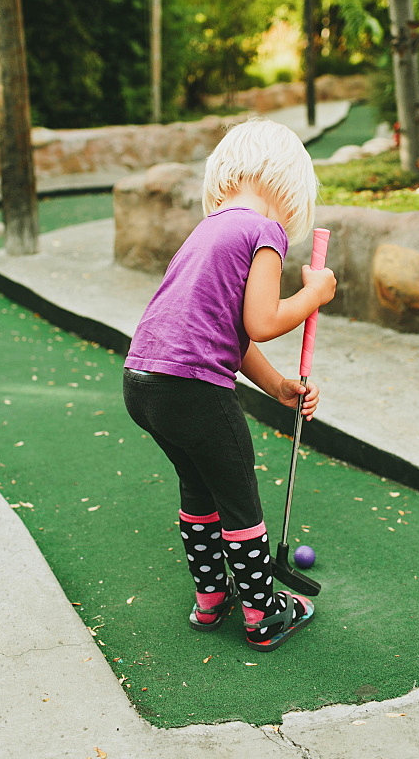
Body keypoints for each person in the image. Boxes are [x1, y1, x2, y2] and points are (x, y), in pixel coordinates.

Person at [123, 118, 337, 651]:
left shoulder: (208, 231)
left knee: (199, 488)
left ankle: (211, 597)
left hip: (144, 383)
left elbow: (232, 334)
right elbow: (263, 320)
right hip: (194, 392)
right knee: (239, 499)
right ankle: (263, 614)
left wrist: (278, 386)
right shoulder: (264, 232)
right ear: (287, 184)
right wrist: (316, 294)